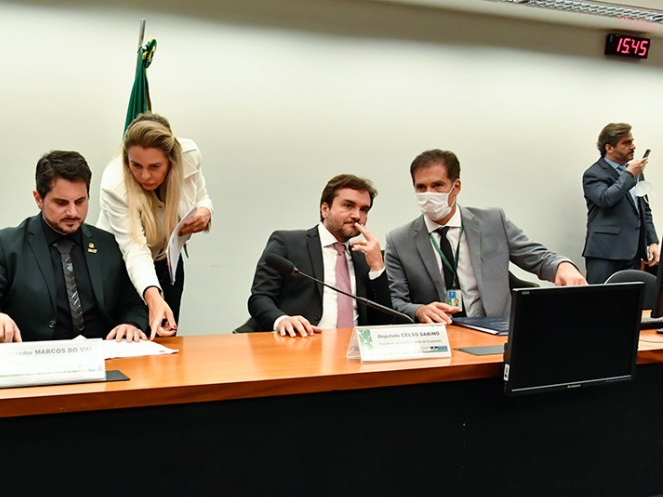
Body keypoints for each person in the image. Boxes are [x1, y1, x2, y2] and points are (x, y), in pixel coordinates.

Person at [0, 150, 148, 343]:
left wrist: (132, 324)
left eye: (80, 201)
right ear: (38, 199)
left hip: (102, 359)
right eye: (61, 203)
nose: (73, 212)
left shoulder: (106, 244)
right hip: (34, 360)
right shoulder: (7, 245)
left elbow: (134, 305)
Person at [385, 149, 586, 324]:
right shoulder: (398, 241)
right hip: (439, 335)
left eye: (438, 185)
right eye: (421, 187)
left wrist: (563, 266)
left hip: (495, 329)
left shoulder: (492, 222)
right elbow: (396, 302)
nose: (429, 194)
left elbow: (539, 258)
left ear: (456, 187)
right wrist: (419, 310)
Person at [98, 113, 213, 339]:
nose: (145, 175)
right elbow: (134, 249)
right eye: (136, 165)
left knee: (166, 340)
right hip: (122, 267)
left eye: (154, 166)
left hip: (167, 262)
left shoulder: (189, 156)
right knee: (130, 341)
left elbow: (202, 197)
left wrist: (205, 211)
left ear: (171, 160)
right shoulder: (115, 184)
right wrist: (153, 296)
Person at [248, 174, 395, 337]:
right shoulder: (288, 243)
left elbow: (384, 323)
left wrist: (377, 268)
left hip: (355, 351)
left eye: (364, 210)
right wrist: (282, 320)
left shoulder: (365, 257)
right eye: (348, 205)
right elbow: (259, 299)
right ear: (325, 209)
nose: (356, 216)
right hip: (301, 344)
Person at [582, 122, 658, 284]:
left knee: (631, 303)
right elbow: (605, 199)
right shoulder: (593, 174)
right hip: (605, 253)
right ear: (609, 148)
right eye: (626, 143)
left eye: (632, 141)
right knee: (600, 303)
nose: (633, 146)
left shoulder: (634, 172)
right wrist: (629, 174)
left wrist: (652, 241)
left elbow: (644, 208)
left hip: (634, 252)